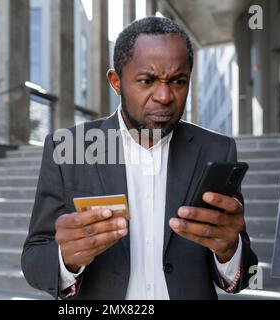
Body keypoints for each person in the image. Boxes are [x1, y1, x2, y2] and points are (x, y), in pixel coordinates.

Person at [21, 16, 258, 300]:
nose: (164, 96)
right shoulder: (68, 148)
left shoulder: (217, 150)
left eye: (178, 81)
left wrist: (230, 250)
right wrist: (66, 259)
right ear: (116, 82)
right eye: (147, 80)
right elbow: (34, 256)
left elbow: (244, 272)